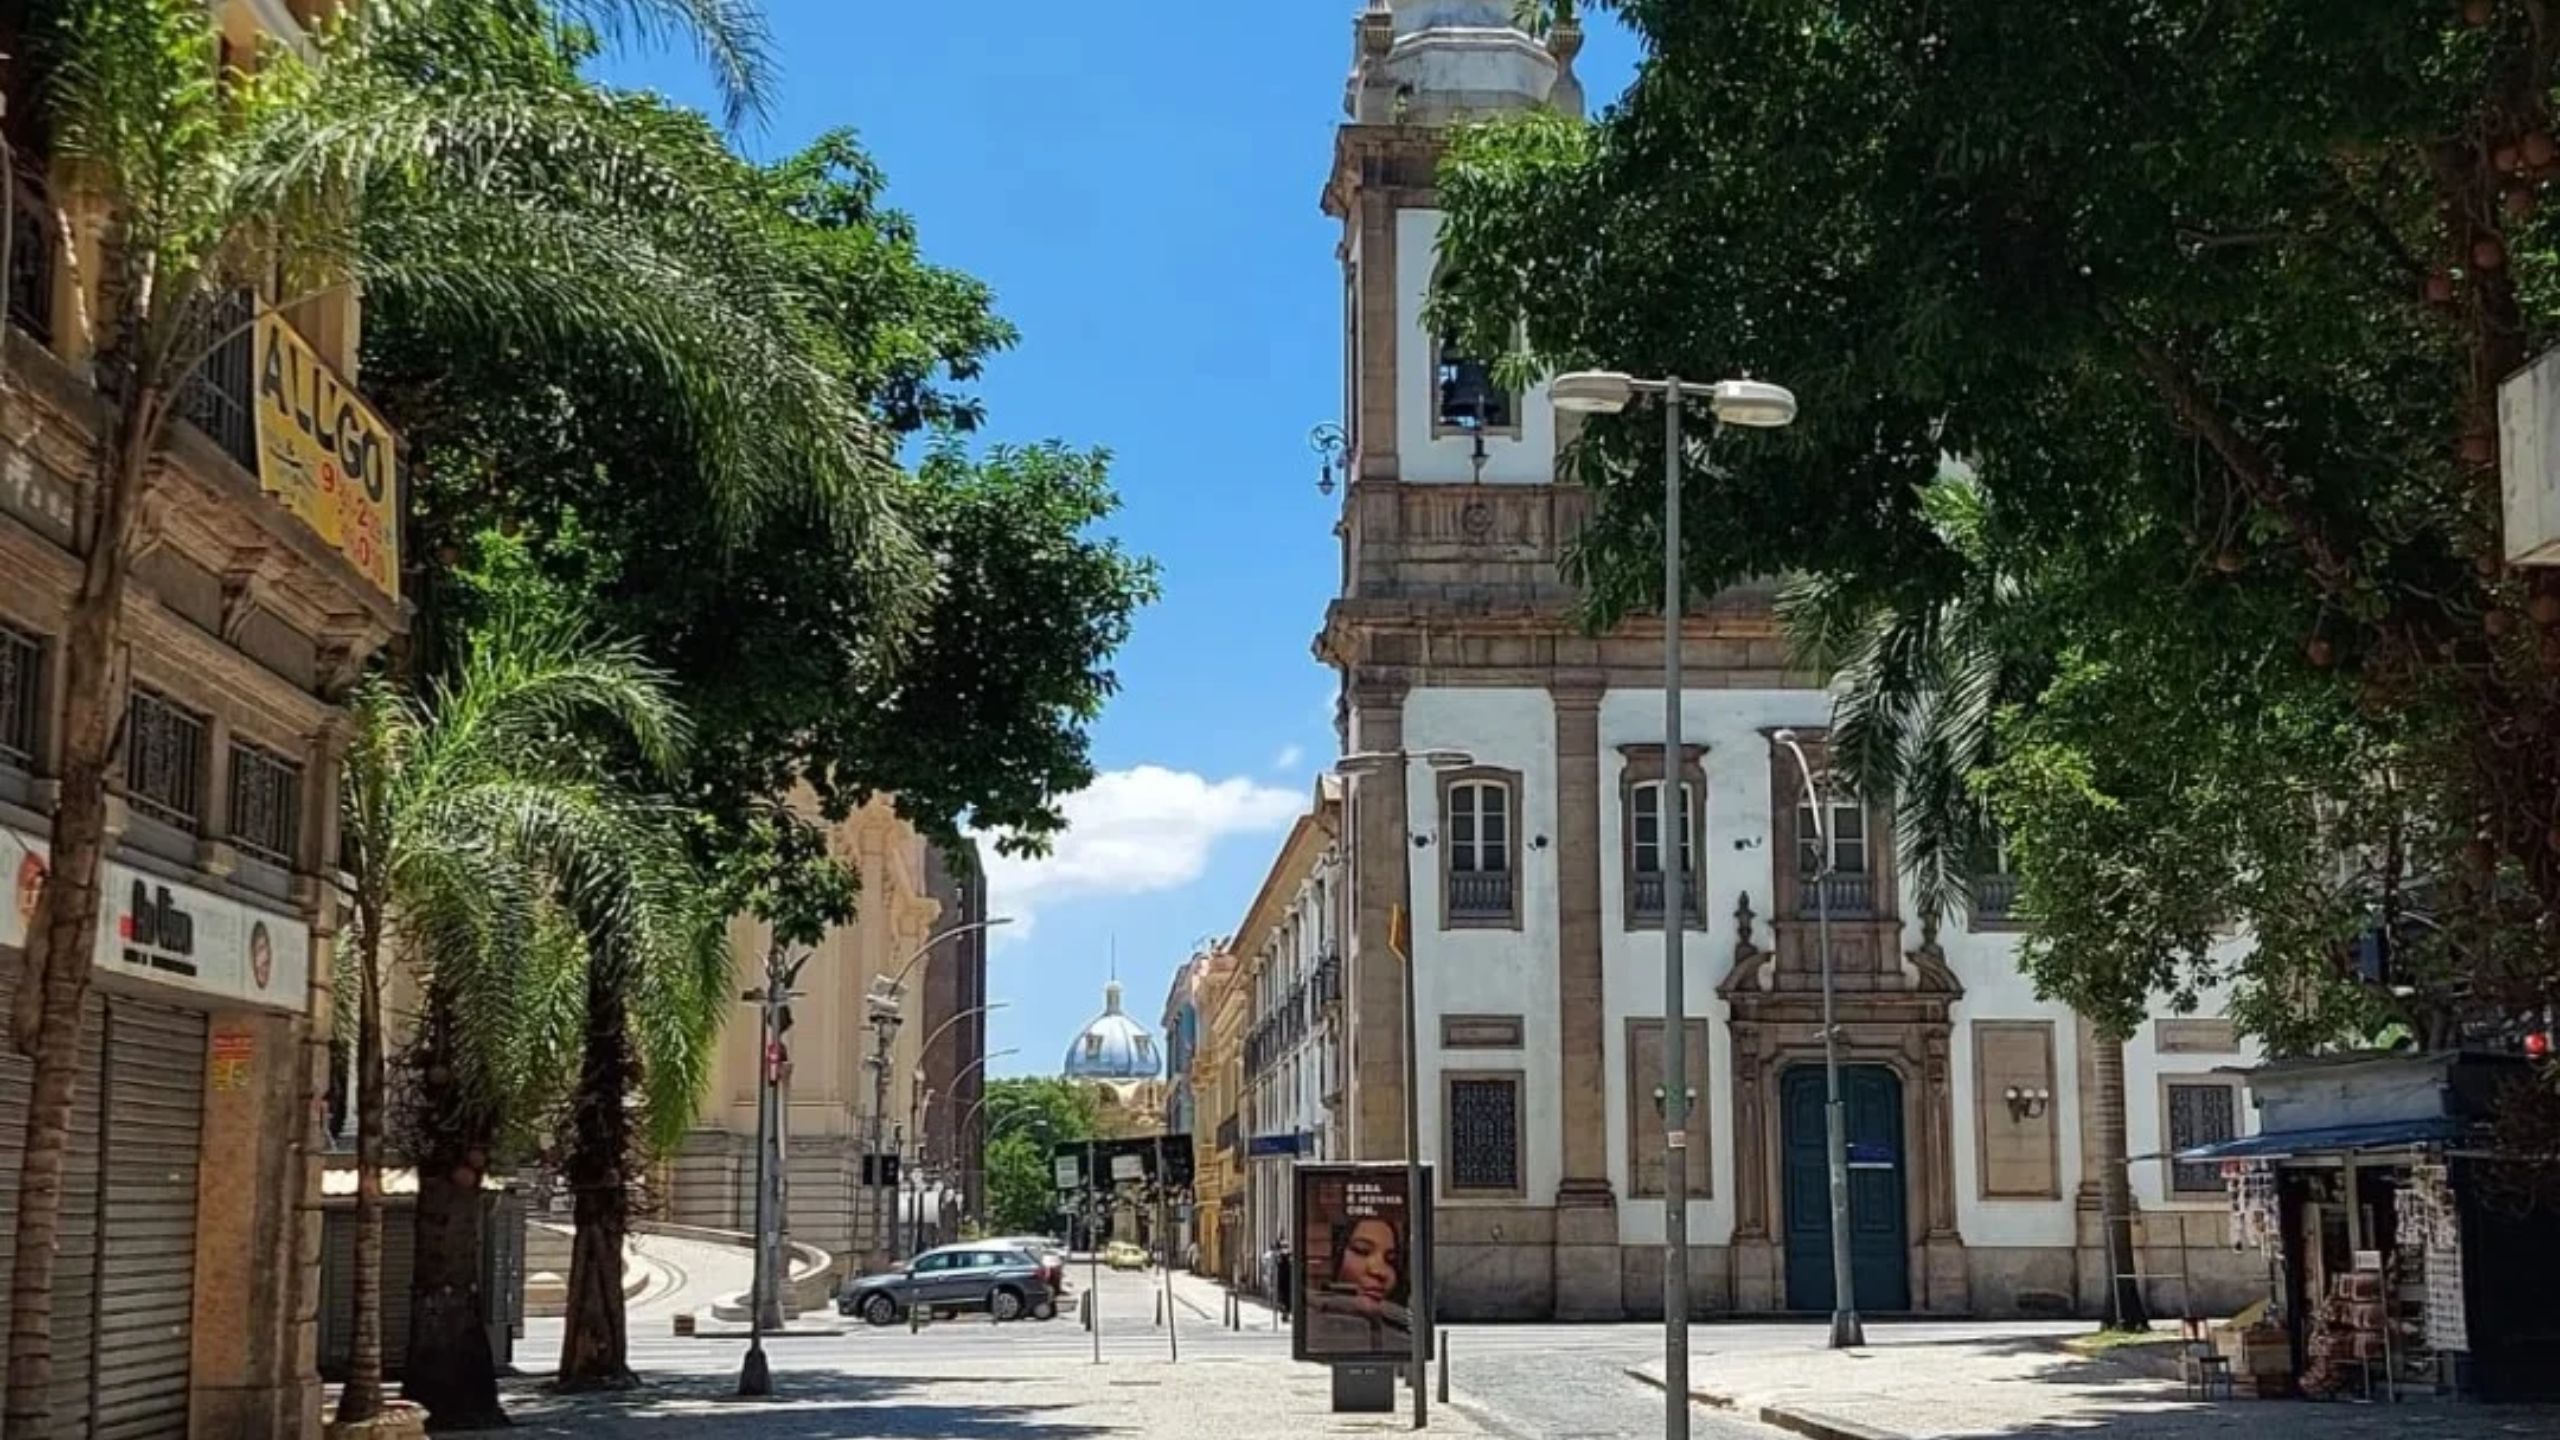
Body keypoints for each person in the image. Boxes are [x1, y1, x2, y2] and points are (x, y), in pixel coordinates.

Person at [1305, 1213, 1409, 1354]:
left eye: (1391, 1260)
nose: (1379, 1271)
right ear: (1336, 1254)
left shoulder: (1401, 1328)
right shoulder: (1313, 1323)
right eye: (1362, 1250)